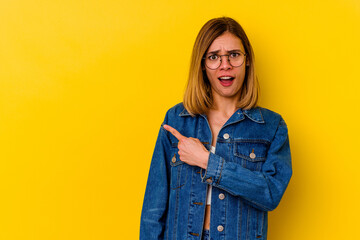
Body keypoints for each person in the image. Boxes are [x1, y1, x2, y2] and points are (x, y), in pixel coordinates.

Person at [140, 17, 292, 240]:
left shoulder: (270, 126)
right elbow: (154, 208)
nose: (225, 65)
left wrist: (207, 162)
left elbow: (270, 193)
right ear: (202, 64)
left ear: (247, 60)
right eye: (214, 57)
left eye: (234, 55)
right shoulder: (177, 119)